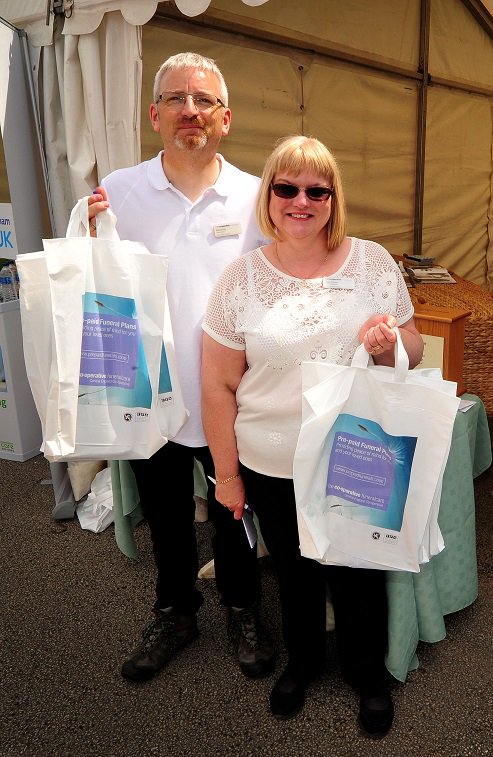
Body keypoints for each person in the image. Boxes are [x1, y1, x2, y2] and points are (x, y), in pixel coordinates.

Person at [200, 135, 424, 738]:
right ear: (269, 197)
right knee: (296, 572)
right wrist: (227, 474)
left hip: (355, 448)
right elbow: (218, 387)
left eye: (316, 190)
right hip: (271, 458)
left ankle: (367, 674)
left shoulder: (373, 262)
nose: (301, 201)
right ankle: (301, 664)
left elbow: (416, 347)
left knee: (358, 568)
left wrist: (390, 344)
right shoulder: (241, 279)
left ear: (333, 198)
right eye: (287, 188)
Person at [86, 52, 275, 683]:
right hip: (151, 392)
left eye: (202, 100)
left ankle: (244, 608)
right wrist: (85, 232)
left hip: (234, 395)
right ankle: (175, 610)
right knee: (165, 514)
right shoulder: (119, 191)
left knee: (235, 513)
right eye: (174, 99)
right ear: (154, 114)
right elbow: (92, 279)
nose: (188, 111)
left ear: (226, 117)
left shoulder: (255, 197)